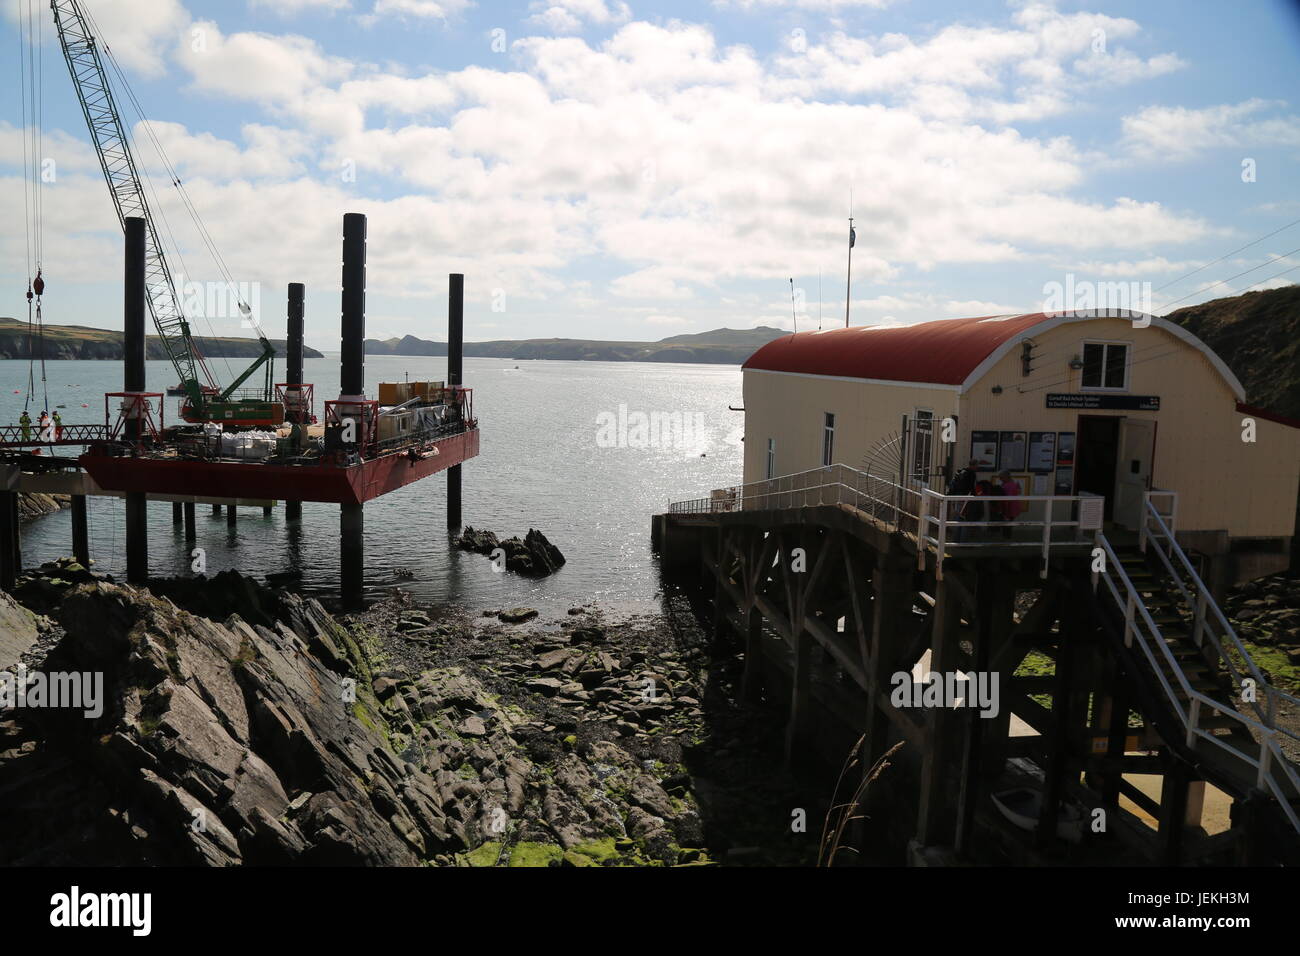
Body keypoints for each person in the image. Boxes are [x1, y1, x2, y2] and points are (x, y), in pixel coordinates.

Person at [996, 469, 1022, 539]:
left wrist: (1006, 512)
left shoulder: (1009, 485)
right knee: (1008, 523)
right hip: (1011, 507)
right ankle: (1006, 537)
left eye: (1001, 477)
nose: (1000, 479)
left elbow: (1008, 499)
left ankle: (1006, 537)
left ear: (1006, 477)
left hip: (1009, 508)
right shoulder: (1011, 483)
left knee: (1007, 523)